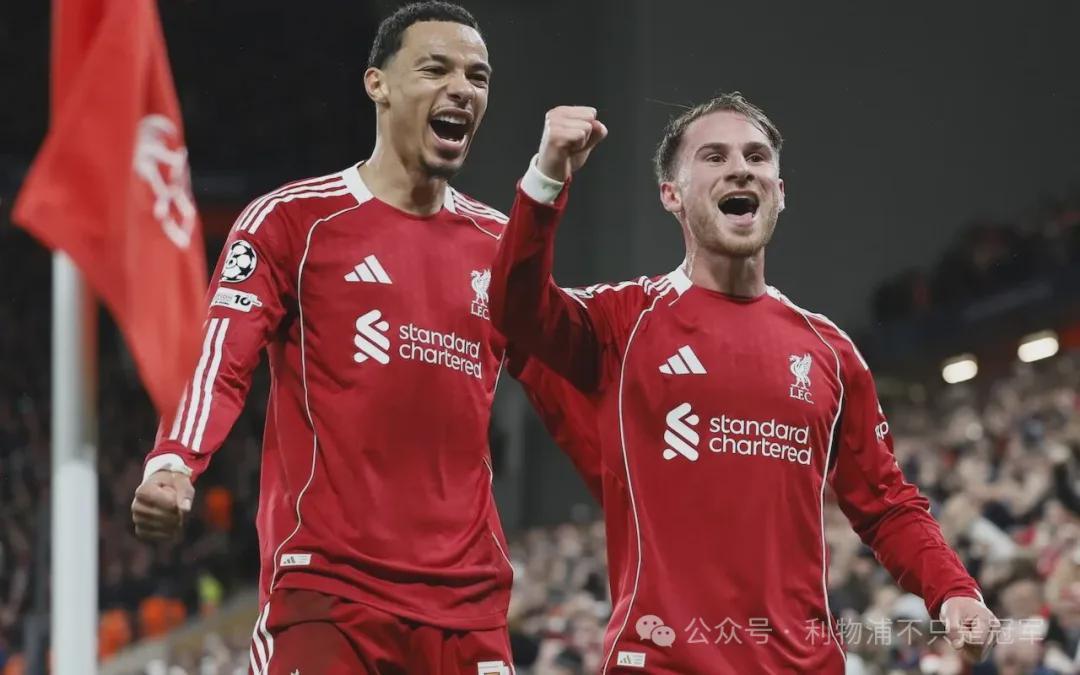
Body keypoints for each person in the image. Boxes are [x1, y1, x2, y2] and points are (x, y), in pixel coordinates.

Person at [129, 3, 573, 672]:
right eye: (436, 69)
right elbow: (221, 356)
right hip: (329, 593)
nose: (462, 89)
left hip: (468, 606)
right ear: (378, 84)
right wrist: (173, 461)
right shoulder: (294, 221)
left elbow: (570, 391)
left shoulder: (497, 245)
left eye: (477, 77)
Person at [488, 94, 1001, 672]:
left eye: (756, 157)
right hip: (663, 661)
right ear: (671, 195)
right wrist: (547, 177)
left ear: (779, 192)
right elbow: (516, 311)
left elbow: (886, 504)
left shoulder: (830, 351)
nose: (740, 169)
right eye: (714, 156)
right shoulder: (623, 323)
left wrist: (952, 589)